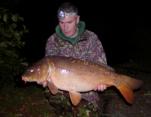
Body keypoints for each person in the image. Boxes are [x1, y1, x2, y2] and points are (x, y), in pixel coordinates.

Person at [45, 2, 107, 108]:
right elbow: (48, 69)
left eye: (69, 22)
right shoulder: (52, 41)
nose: (65, 27)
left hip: (88, 92)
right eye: (61, 22)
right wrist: (46, 80)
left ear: (77, 19)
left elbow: (101, 65)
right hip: (62, 93)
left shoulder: (91, 38)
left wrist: (103, 82)